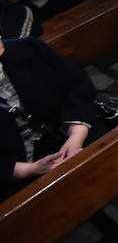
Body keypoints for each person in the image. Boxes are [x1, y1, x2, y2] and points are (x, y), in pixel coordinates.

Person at [0, 36, 103, 200]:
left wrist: (76, 134)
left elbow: (78, 84)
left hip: (69, 131)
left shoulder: (28, 47)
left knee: (108, 149)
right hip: (17, 170)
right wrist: (30, 169)